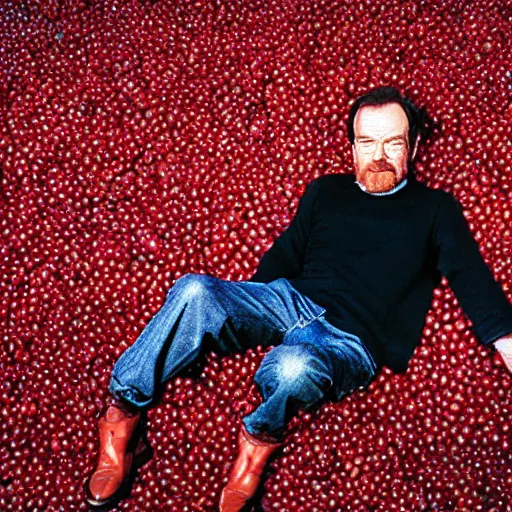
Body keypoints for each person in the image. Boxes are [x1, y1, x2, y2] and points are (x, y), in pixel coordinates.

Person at [85, 87, 512, 511]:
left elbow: (471, 279)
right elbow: (286, 253)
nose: (378, 154)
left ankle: (258, 438)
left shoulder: (435, 209)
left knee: (292, 368)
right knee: (195, 290)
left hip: (350, 339)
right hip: (290, 301)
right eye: (367, 142)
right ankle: (123, 416)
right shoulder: (326, 191)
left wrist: (507, 344)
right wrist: (235, 310)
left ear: (414, 146)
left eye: (392, 142)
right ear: (352, 147)